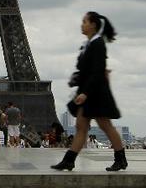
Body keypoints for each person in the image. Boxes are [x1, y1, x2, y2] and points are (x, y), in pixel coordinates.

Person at [52, 12, 127, 172]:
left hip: (95, 93)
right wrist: (78, 79)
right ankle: (69, 160)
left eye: (84, 21)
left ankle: (120, 159)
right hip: (91, 92)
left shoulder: (97, 43)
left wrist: (85, 92)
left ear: (93, 24)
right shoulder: (90, 44)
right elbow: (90, 70)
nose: (82, 24)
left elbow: (97, 71)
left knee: (105, 125)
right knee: (82, 126)